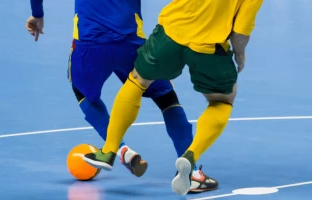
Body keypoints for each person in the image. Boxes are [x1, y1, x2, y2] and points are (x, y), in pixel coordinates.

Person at [26, 0, 218, 193]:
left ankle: (119, 149)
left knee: (82, 92)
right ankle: (191, 174)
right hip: (131, 42)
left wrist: (37, 14)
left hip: (90, 44)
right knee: (166, 98)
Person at [83, 0, 264, 196]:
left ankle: (109, 150)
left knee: (137, 81)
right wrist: (240, 53)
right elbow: (241, 30)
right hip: (209, 47)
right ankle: (190, 157)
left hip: (169, 35)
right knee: (221, 101)